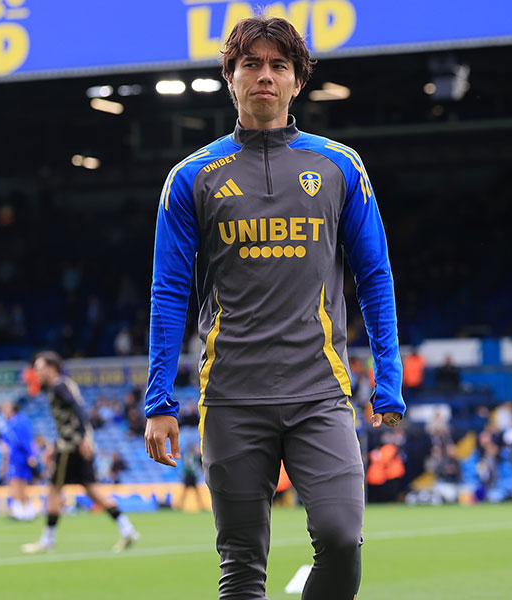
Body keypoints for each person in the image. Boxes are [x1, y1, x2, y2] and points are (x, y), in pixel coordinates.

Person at [144, 16, 404, 600]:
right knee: (241, 568)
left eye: (278, 65)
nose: (265, 75)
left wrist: (388, 376)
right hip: (231, 397)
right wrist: (159, 399)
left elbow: (375, 276)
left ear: (297, 81)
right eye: (251, 64)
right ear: (230, 78)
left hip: (320, 393)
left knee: (341, 539)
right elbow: (168, 291)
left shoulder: (340, 165)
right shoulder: (190, 177)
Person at [22, 351, 139, 553]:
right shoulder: (63, 384)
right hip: (74, 443)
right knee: (92, 489)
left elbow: (77, 409)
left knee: (53, 490)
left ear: (52, 368)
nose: (36, 372)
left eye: (39, 368)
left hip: (70, 446)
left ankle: (48, 539)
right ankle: (127, 529)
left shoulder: (58, 386)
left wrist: (84, 437)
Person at [0, 401, 37, 521]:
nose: (4, 410)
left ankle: (19, 510)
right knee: (21, 483)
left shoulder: (15, 423)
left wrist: (30, 454)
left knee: (15, 482)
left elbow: (23, 440)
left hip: (18, 457)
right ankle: (27, 510)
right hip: (21, 456)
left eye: (6, 408)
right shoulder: (20, 420)